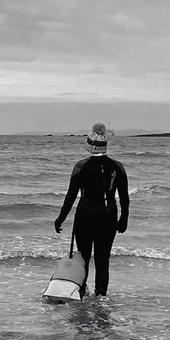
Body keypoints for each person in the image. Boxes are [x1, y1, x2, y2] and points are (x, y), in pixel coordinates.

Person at [53, 123, 129, 297]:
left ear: (89, 146)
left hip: (85, 217)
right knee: (103, 260)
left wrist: (60, 218)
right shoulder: (118, 167)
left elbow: (71, 196)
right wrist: (124, 219)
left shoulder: (80, 167)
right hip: (108, 216)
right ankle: (101, 297)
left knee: (84, 259)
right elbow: (124, 198)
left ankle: (81, 293)